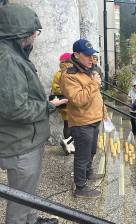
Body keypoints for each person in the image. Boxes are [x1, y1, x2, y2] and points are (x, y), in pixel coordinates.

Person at [0, 4, 67, 224]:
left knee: (29, 193)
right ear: (18, 33)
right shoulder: (8, 60)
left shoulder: (13, 53)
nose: (35, 37)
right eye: (32, 33)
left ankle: (32, 219)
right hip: (20, 146)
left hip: (26, 141)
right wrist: (48, 106)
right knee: (19, 202)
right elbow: (15, 109)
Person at [60, 39, 107, 198]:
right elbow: (78, 100)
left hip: (94, 119)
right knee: (82, 155)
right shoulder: (69, 75)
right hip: (82, 123)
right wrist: (94, 84)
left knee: (92, 150)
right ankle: (80, 187)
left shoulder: (87, 70)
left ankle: (88, 173)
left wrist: (103, 113)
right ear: (76, 54)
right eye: (87, 55)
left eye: (92, 55)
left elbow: (96, 96)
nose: (91, 58)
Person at [51, 52, 75, 155]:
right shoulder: (73, 72)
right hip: (73, 102)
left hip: (63, 103)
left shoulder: (59, 73)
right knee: (75, 125)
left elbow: (55, 88)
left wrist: (63, 92)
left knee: (66, 125)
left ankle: (69, 145)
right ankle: (69, 144)